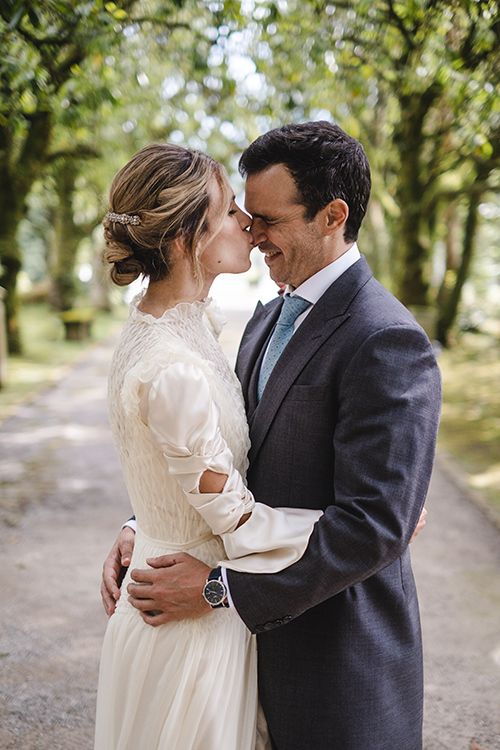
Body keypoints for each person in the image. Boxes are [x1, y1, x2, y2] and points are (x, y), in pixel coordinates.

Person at [101, 123, 440, 750]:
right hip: (240, 650)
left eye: (267, 220)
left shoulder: (386, 340)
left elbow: (374, 528)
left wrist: (215, 587)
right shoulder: (258, 322)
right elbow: (215, 454)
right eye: (242, 216)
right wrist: (146, 523)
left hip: (333, 663)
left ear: (332, 216)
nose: (252, 235)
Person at [94, 142, 337, 750]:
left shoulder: (165, 330)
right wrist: (356, 525)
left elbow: (174, 467)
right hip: (187, 632)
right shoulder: (172, 364)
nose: (248, 226)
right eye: (230, 211)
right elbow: (234, 517)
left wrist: (142, 525)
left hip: (170, 588)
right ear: (185, 240)